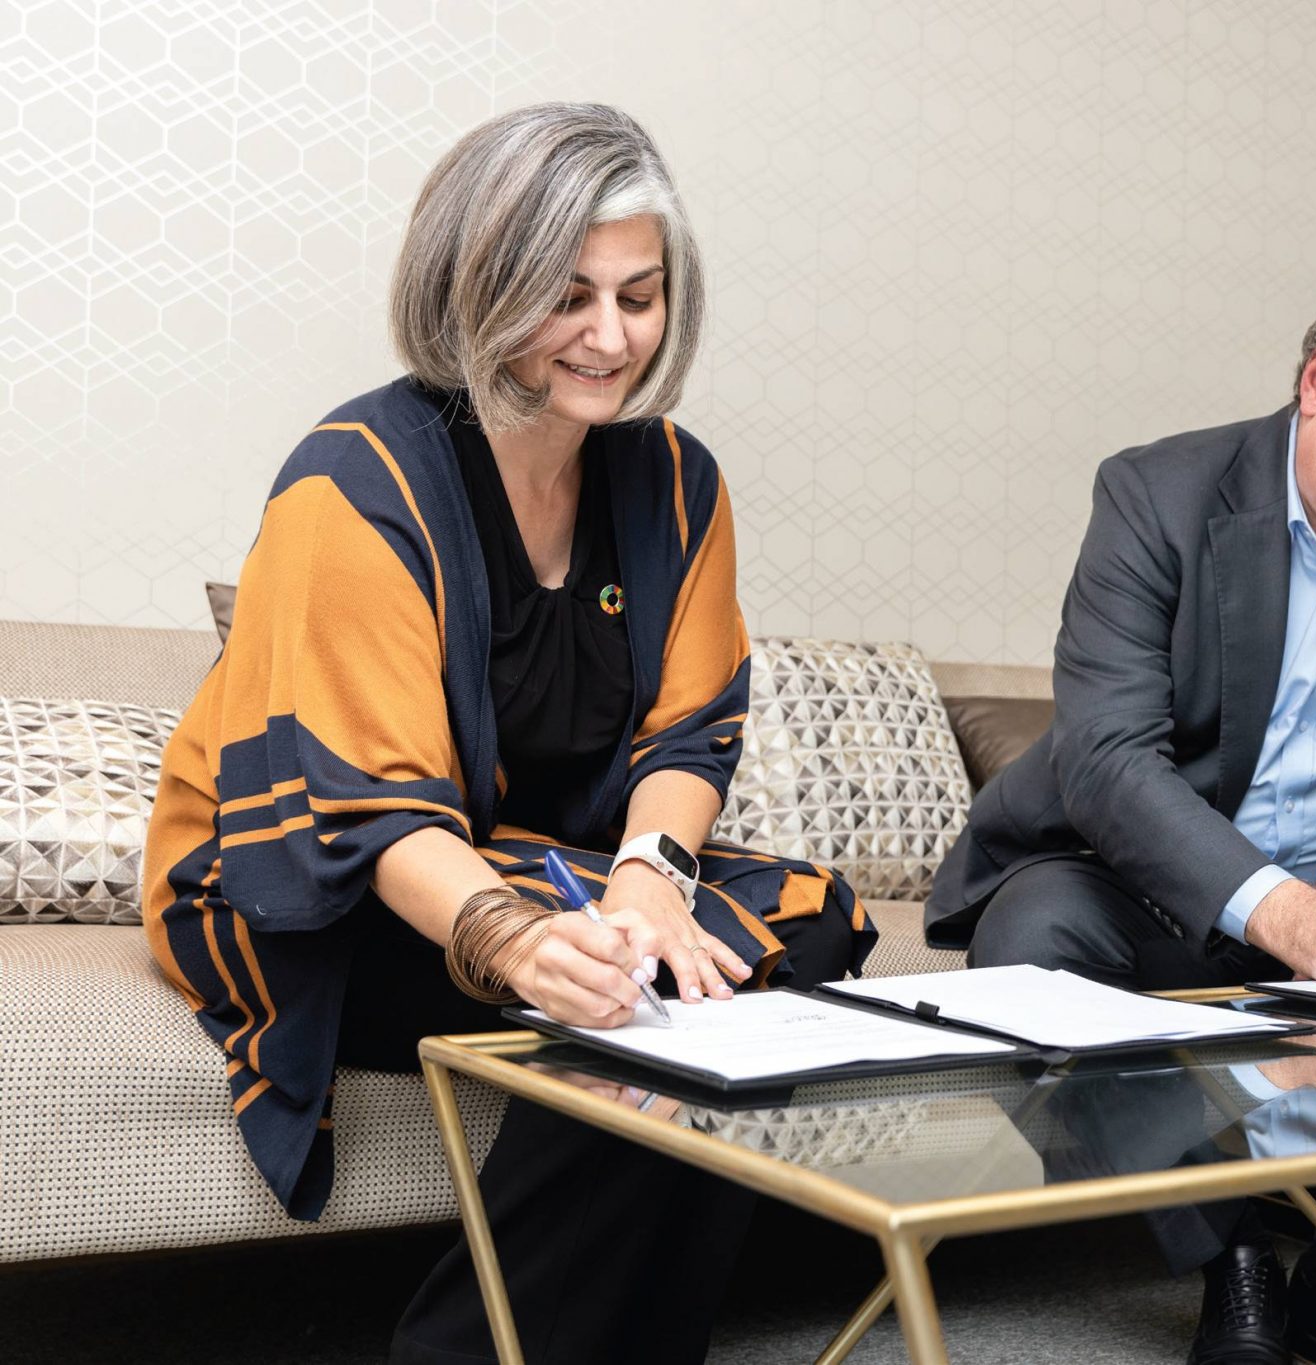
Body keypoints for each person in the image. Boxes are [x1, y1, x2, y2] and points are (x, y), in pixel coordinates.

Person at [141, 103, 870, 1364]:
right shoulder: (354, 479)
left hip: (529, 854)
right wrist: (530, 948)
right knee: (624, 1006)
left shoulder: (678, 480)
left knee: (776, 935)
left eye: (638, 297)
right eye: (566, 295)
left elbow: (690, 733)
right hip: (305, 873)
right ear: (478, 287)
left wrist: (647, 881)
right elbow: (370, 810)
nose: (608, 336)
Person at [926, 253, 1316, 1365]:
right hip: (1149, 884)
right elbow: (1110, 759)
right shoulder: (1158, 494)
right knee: (1032, 942)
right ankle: (1235, 1261)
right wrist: (1285, 916)